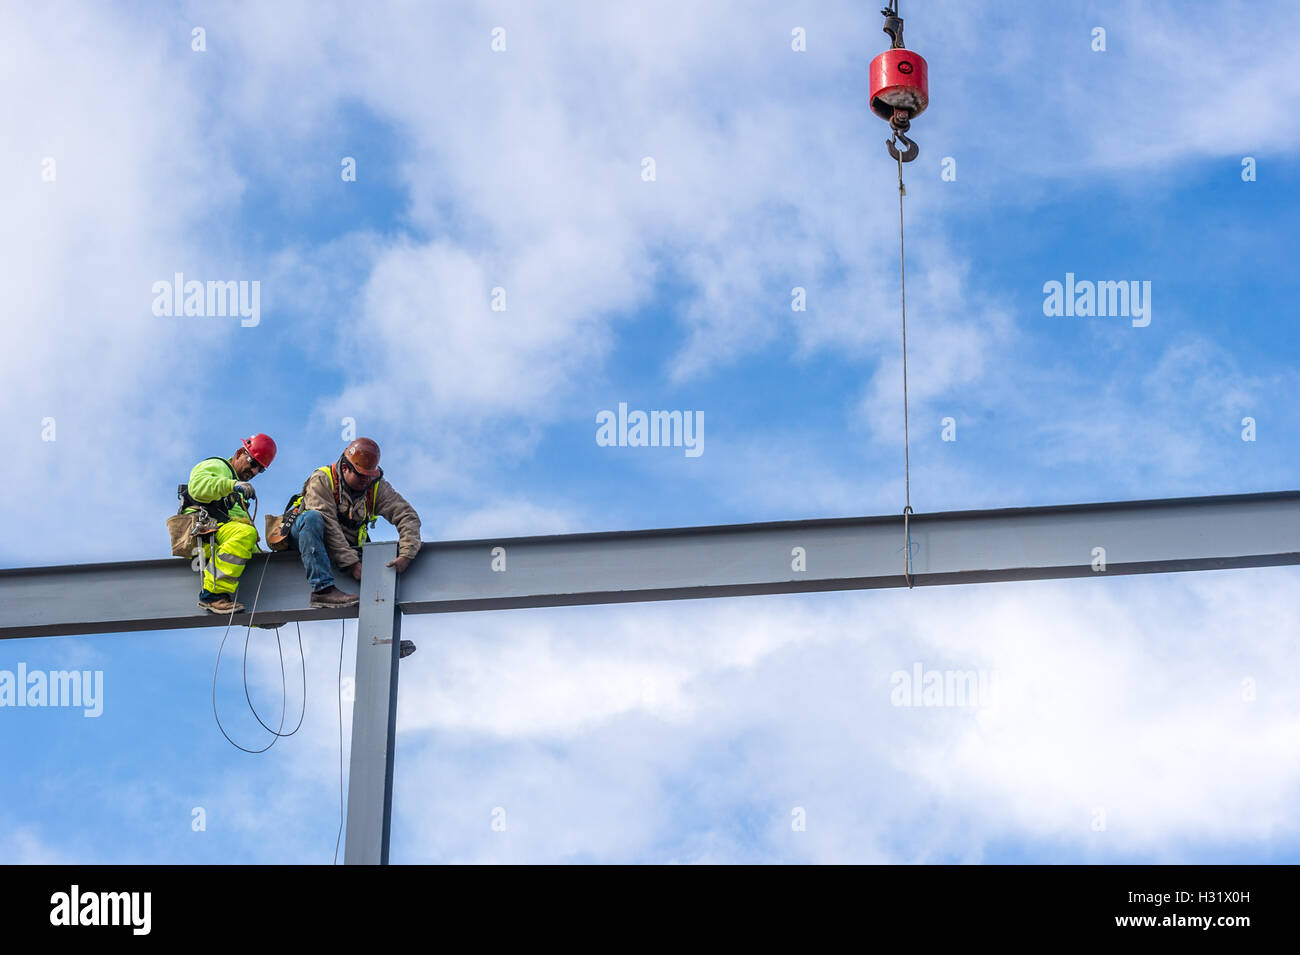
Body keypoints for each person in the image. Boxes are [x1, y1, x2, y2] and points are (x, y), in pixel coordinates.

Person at [287, 437, 421, 608]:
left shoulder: (376, 486)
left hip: (347, 546)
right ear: (345, 468)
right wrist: (352, 565)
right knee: (313, 518)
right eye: (361, 476)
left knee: (379, 589)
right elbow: (328, 523)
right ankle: (323, 590)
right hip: (308, 536)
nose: (366, 480)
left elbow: (407, 515)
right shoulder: (322, 479)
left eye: (369, 476)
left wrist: (406, 554)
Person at [181, 433, 276, 614]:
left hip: (219, 534)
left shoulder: (238, 494)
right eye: (253, 463)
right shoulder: (218, 466)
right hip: (202, 533)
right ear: (240, 453)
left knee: (255, 557)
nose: (254, 471)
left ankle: (255, 617)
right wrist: (231, 485)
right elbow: (198, 487)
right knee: (244, 534)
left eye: (260, 469)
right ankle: (213, 596)